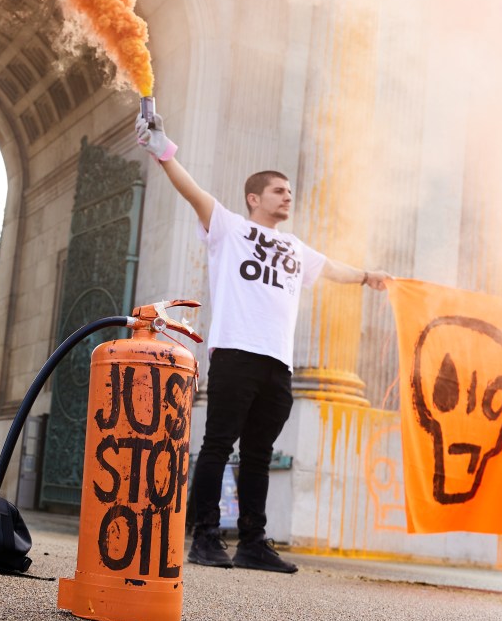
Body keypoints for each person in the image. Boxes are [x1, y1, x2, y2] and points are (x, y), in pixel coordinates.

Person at [135, 110, 390, 573]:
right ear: (255, 198)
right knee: (218, 445)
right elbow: (191, 191)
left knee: (259, 454)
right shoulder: (230, 228)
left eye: (290, 191)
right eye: (278, 190)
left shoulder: (294, 247)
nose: (287, 196)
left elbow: (333, 269)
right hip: (236, 351)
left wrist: (369, 276)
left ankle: (253, 541)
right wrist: (162, 150)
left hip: (278, 363)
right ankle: (206, 537)